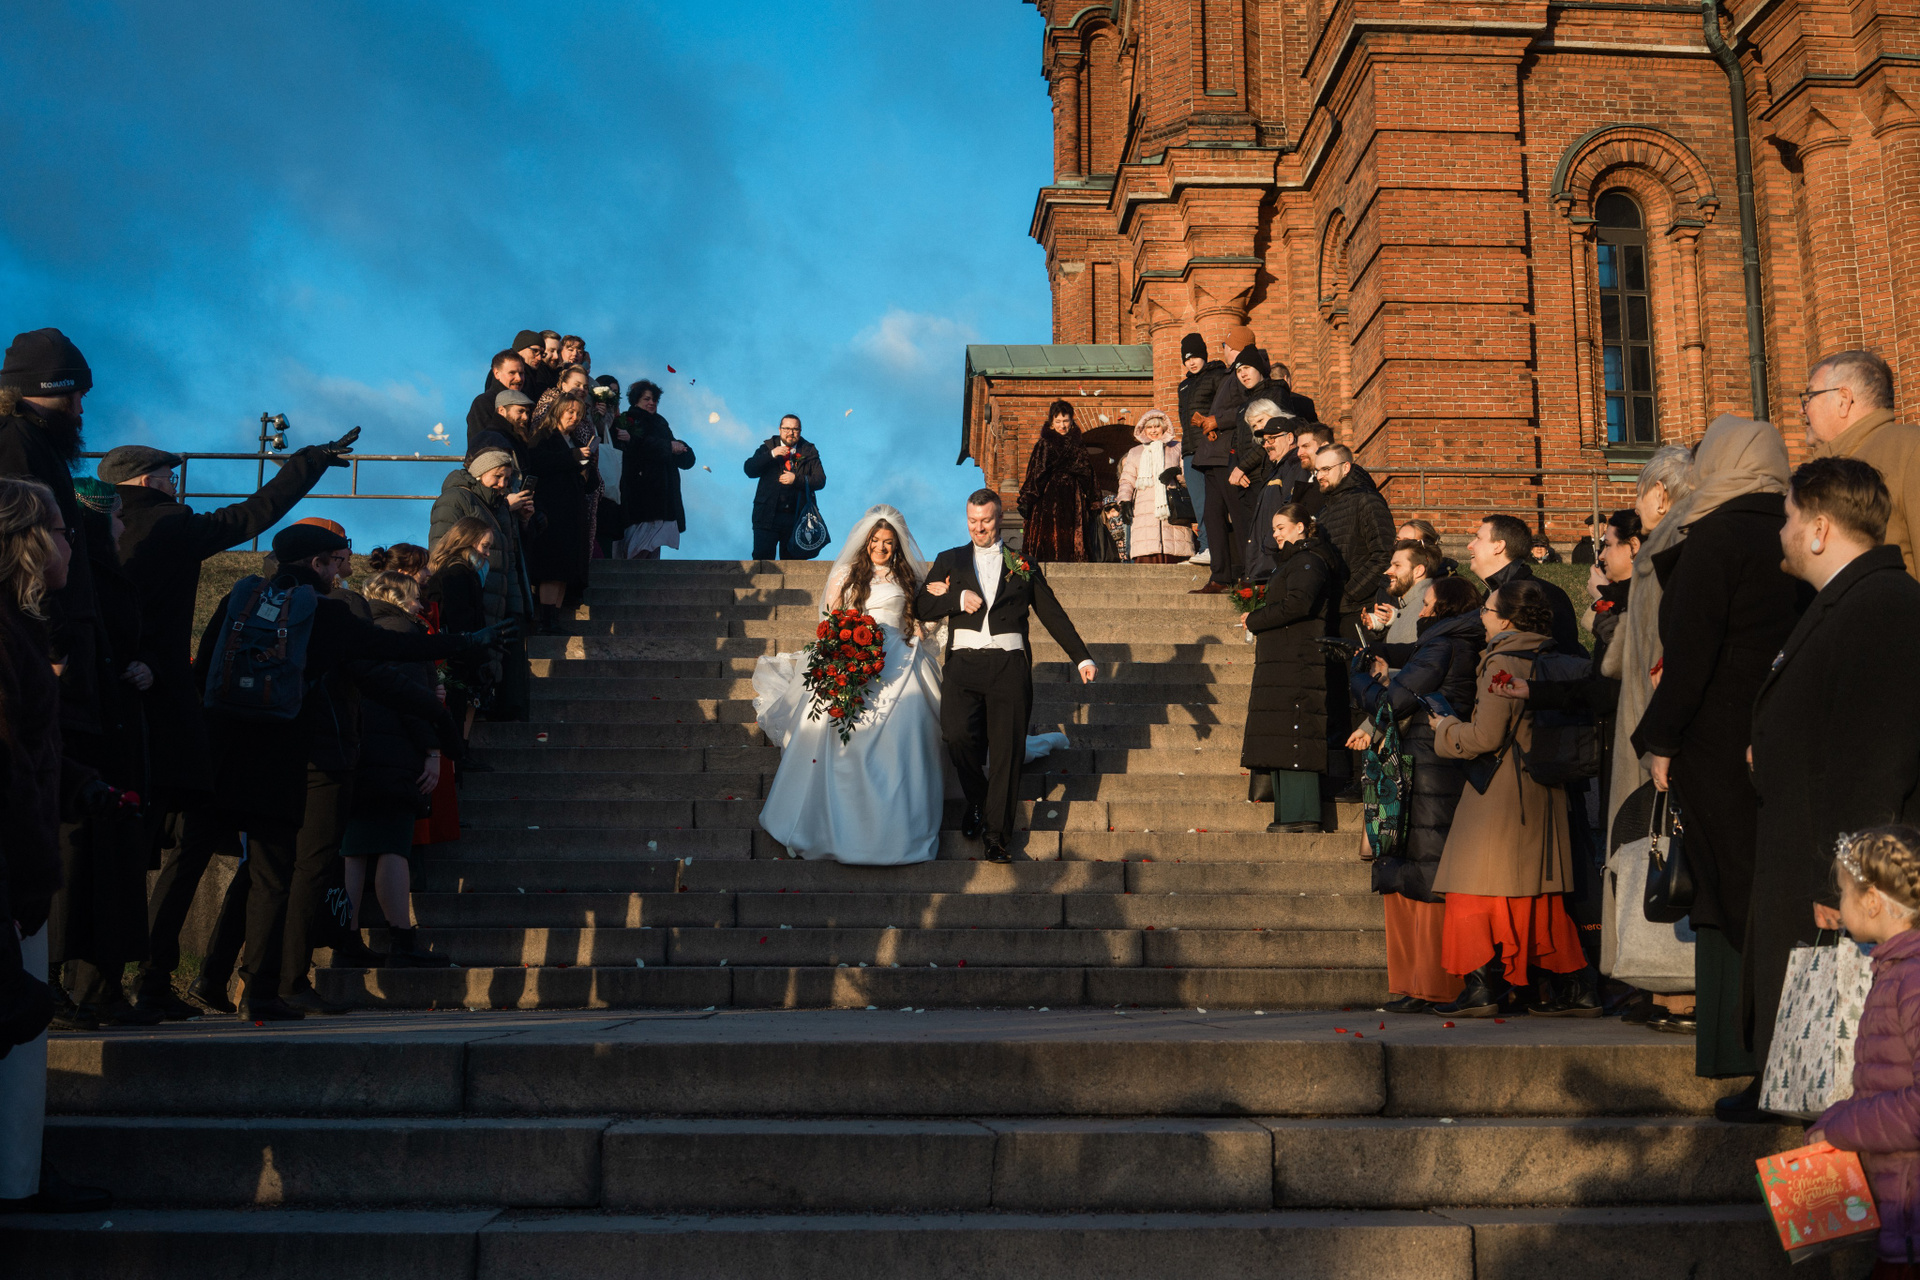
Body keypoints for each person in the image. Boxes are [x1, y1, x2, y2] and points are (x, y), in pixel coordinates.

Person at [193, 522, 510, 1020]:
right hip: (321, 758)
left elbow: (205, 672)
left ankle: (220, 976)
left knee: (262, 873)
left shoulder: (244, 603)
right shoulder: (327, 612)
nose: (341, 570)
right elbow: (390, 656)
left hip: (250, 753)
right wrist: (466, 645)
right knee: (309, 870)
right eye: (336, 560)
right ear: (319, 564)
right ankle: (284, 982)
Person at [1629, 416, 1807, 1096]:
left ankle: (1752, 1056)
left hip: (1717, 738)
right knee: (1765, 887)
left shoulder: (1715, 537)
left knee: (1732, 893)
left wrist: (1661, 739)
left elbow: (1691, 654)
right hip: (1780, 735)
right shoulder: (1793, 528)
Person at [1749, 458, 1920, 1088]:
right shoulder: (1848, 602)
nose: (1781, 532)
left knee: (1854, 1035)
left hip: (1839, 863)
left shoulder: (1882, 607)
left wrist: (1843, 878)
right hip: (1813, 846)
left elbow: (1876, 753)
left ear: (1820, 529)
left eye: (1789, 517)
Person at [0, 475, 111, 1216]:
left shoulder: (19, 627)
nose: (72, 545)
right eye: (64, 532)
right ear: (29, 542)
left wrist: (81, 784)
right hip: (13, 877)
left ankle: (19, 1176)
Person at [1427, 579, 1587, 1016]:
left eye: (1487, 610)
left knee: (1470, 888)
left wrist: (1444, 727)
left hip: (1500, 791)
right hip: (1543, 789)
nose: (1481, 616)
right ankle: (1576, 986)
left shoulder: (1502, 660)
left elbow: (1485, 736)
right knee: (1536, 894)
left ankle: (1480, 986)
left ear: (1507, 620)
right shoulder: (1551, 654)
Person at [752, 508, 946, 864]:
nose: (881, 548)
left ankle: (897, 826)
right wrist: (844, 650)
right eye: (875, 541)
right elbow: (830, 620)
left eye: (888, 543)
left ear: (897, 546)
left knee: (908, 724)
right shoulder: (846, 573)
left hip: (899, 656)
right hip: (852, 655)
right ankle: (829, 823)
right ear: (866, 541)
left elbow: (922, 622)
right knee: (836, 726)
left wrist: (935, 606)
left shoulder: (907, 579)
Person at [915, 490, 1095, 862]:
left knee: (1007, 752)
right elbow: (923, 605)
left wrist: (1081, 657)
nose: (978, 528)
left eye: (985, 520)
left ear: (999, 518)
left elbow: (1052, 613)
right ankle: (978, 800)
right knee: (957, 736)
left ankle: (997, 837)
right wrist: (955, 598)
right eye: (972, 521)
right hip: (963, 664)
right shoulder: (950, 559)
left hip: (1009, 666)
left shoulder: (1023, 563)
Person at [1349, 574, 1485, 1012]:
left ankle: (1433, 984)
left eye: (1427, 605)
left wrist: (1359, 680)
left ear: (1444, 608)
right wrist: (1378, 657)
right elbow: (1410, 659)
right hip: (1430, 763)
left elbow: (1394, 702)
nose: (1420, 611)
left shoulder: (1444, 644)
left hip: (1429, 768)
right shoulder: (1451, 641)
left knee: (1425, 875)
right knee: (1414, 874)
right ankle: (1421, 984)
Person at [47, 479, 152, 1028]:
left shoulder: (105, 578)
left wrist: (140, 666)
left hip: (109, 728)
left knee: (107, 862)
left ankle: (98, 989)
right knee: (75, 861)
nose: (123, 526)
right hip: (80, 736)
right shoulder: (72, 584)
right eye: (114, 516)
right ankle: (59, 985)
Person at [1805, 825, 1920, 1270]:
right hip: (1900, 1214)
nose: (1839, 903)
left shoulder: (1911, 978)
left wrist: (1844, 1127)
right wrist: (1834, 1119)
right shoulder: (1894, 970)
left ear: (1872, 901)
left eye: (1843, 892)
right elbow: (1884, 1084)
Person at [340, 571, 454, 968]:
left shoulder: (357, 630)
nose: (421, 605)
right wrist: (433, 751)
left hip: (354, 750)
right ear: (399, 597)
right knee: (393, 846)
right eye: (415, 597)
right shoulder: (404, 633)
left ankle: (346, 938)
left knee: (353, 851)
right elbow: (410, 700)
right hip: (394, 753)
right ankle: (402, 939)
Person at [1239, 505, 1337, 832]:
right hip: (1285, 660)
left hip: (1298, 661)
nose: (1276, 534)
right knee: (1282, 734)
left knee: (1295, 732)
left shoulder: (1308, 560)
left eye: (1281, 527)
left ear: (1301, 527)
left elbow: (1299, 603)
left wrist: (1255, 619)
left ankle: (1302, 814)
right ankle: (1289, 813)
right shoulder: (1295, 561)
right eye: (1274, 528)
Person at [1802, 349, 1920, 577]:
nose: (1802, 409)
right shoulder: (1814, 470)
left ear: (1843, 399)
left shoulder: (1910, 450)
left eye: (1809, 396)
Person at [1193, 348, 1273, 590]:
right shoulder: (1233, 381)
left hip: (1236, 461)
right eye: (1240, 370)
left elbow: (1248, 418)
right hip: (1218, 457)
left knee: (1240, 518)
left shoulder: (1266, 390)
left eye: (1246, 368)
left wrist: (1217, 421)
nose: (1243, 374)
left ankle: (1249, 574)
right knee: (1213, 516)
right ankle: (1220, 576)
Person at [515, 390, 593, 632]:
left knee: (564, 569)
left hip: (572, 514)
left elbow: (588, 484)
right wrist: (572, 457)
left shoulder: (576, 442)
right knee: (551, 568)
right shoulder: (543, 437)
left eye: (578, 414)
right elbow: (538, 463)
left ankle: (554, 619)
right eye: (570, 412)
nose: (574, 417)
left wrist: (587, 466)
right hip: (551, 511)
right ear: (558, 411)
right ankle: (546, 620)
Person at [1466, 514, 1584, 658]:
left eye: (1478, 538)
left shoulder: (1543, 595)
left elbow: (1562, 659)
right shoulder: (1489, 594)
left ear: (1498, 546)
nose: (1470, 545)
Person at [424, 518, 497, 740]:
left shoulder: (456, 570)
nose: (487, 553)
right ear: (467, 541)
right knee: (460, 708)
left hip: (454, 651)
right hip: (457, 655)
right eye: (485, 546)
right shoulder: (457, 573)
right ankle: (459, 752)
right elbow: (460, 618)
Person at [613, 380, 695, 560]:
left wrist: (681, 449)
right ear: (636, 400)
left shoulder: (660, 423)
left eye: (654, 399)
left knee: (654, 544)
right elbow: (637, 445)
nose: (652, 403)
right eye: (646, 399)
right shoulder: (629, 419)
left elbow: (667, 447)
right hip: (641, 491)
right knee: (639, 544)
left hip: (663, 494)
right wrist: (668, 446)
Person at [1016, 400, 1100, 563]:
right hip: (1048, 498)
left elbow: (1088, 474)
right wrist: (1027, 499)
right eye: (1058, 421)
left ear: (1071, 421)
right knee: (1049, 538)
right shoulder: (1044, 444)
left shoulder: (1078, 446)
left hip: (1073, 498)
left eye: (1066, 421)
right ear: (1051, 423)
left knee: (1072, 538)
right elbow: (1036, 473)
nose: (1062, 425)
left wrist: (1094, 500)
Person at [1114, 410, 1194, 564]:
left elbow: (1189, 478)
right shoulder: (1135, 452)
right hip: (1144, 510)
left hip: (1172, 508)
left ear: (1164, 427)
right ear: (1143, 429)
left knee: (1174, 554)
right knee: (1147, 554)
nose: (1153, 431)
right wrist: (1124, 501)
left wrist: (1176, 472)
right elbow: (1127, 480)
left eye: (1157, 426)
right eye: (1149, 427)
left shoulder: (1177, 448)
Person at [745, 414, 828, 560]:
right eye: (787, 429)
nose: (791, 433)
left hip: (797, 518)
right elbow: (749, 469)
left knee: (794, 565)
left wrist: (796, 479)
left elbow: (820, 480)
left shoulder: (808, 451)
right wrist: (771, 454)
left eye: (795, 429)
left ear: (800, 431)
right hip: (766, 515)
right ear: (780, 429)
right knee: (762, 562)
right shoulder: (768, 447)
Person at [1176, 332, 1227, 566]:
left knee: (1214, 501)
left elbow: (1223, 409)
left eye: (1195, 356)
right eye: (1187, 359)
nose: (1191, 362)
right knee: (1199, 502)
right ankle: (1206, 546)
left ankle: (1216, 548)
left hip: (1212, 447)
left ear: (1204, 355)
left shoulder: (1217, 375)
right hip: (1190, 450)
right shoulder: (1183, 386)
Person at [1241, 409, 1306, 582]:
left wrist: (1270, 544)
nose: (1266, 445)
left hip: (1276, 560)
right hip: (1265, 563)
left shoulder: (1294, 465)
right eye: (1265, 441)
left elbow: (1291, 507)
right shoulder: (1277, 470)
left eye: (1272, 439)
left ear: (1290, 438)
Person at [1367, 538, 1443, 647]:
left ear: (1418, 571)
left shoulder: (1424, 609)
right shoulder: (1411, 604)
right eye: (1391, 565)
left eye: (1397, 565)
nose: (1388, 571)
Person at [466, 351, 525, 456]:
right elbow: (480, 446)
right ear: (497, 373)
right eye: (512, 373)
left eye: (521, 373)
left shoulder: (526, 404)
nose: (519, 378)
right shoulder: (483, 403)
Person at [515, 329, 556, 402]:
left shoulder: (534, 375)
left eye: (542, 353)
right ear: (520, 348)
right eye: (534, 351)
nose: (539, 358)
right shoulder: (503, 368)